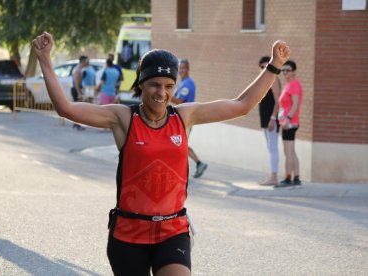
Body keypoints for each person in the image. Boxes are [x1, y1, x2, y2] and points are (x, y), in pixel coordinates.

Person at [33, 32, 290, 276]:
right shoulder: (123, 118)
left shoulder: (185, 116)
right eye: (155, 85)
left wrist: (274, 66)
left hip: (172, 230)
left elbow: (242, 105)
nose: (162, 93)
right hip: (128, 233)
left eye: (169, 86)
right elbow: (66, 109)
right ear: (141, 84)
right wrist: (45, 60)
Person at [170, 59, 208, 178]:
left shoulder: (187, 84)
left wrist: (166, 94)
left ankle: (193, 166)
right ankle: (197, 164)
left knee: (179, 144)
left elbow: (179, 101)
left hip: (186, 119)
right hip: (182, 119)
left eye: (183, 68)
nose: (181, 70)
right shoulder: (182, 83)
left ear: (188, 69)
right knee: (178, 144)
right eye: (179, 68)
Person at [275, 60, 303, 188]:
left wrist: (287, 119)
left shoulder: (294, 85)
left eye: (288, 70)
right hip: (288, 122)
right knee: (291, 151)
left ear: (294, 72)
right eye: (283, 70)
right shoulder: (289, 84)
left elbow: (295, 104)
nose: (285, 72)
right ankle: (296, 177)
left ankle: (287, 178)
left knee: (288, 152)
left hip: (290, 123)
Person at [257, 56, 281, 185]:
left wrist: (273, 118)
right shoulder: (263, 82)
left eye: (267, 67)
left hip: (271, 119)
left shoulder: (274, 80)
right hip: (265, 119)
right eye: (262, 67)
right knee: (269, 147)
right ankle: (272, 174)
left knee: (273, 148)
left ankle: (274, 177)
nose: (264, 69)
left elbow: (278, 101)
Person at [71, 55, 89, 130]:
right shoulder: (77, 70)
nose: (87, 63)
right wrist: (79, 93)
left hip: (77, 89)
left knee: (77, 108)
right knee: (77, 108)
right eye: (86, 61)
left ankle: (76, 124)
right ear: (83, 61)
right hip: (76, 90)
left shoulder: (79, 69)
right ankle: (76, 124)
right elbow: (76, 83)